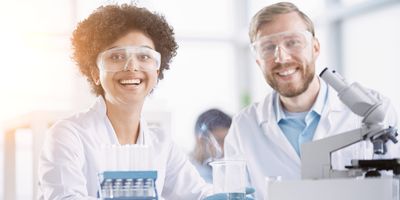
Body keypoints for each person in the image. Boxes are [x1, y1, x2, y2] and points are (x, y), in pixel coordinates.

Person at [37, 4, 215, 199]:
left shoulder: (161, 143)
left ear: (157, 70)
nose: (132, 66)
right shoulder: (68, 135)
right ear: (95, 72)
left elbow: (199, 195)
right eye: (116, 56)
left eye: (144, 56)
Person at [223, 2, 399, 199]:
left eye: (292, 42)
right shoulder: (243, 127)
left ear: (315, 48)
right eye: (268, 47)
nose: (281, 57)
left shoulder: (375, 109)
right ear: (258, 60)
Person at [190, 109, 232, 183]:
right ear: (201, 141)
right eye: (219, 141)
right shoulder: (186, 172)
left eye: (228, 141)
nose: (224, 148)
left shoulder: (231, 169)